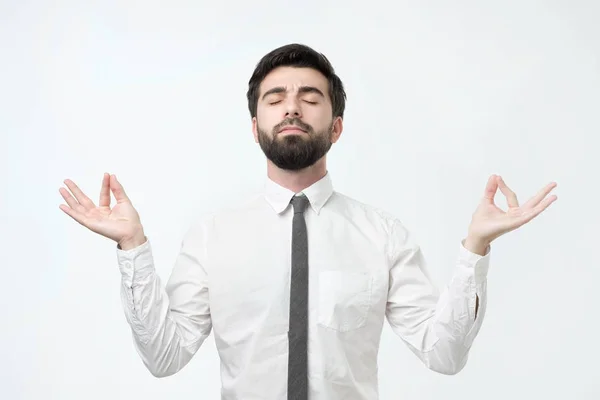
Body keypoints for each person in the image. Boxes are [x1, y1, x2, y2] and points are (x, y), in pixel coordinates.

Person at [58, 43, 558, 400]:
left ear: (336, 127)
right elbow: (164, 358)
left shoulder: (382, 235)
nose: (292, 107)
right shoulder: (212, 236)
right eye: (274, 99)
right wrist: (133, 247)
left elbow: (443, 354)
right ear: (255, 127)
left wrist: (475, 248)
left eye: (310, 98)